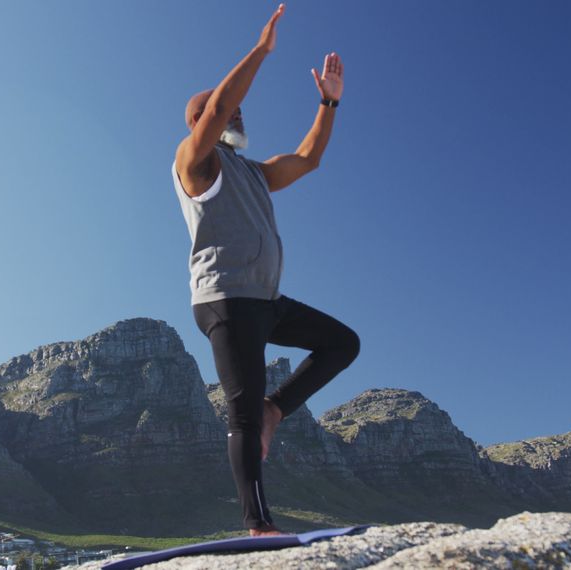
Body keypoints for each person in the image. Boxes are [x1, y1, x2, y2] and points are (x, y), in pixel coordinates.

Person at [171, 4, 360, 536]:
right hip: (225, 299)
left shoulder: (253, 173)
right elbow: (220, 105)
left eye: (235, 113)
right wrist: (261, 51)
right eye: (226, 114)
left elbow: (308, 157)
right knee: (243, 413)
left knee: (342, 344)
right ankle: (258, 525)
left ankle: (278, 409)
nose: (238, 116)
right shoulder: (194, 161)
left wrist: (328, 102)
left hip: (266, 300)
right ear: (202, 123)